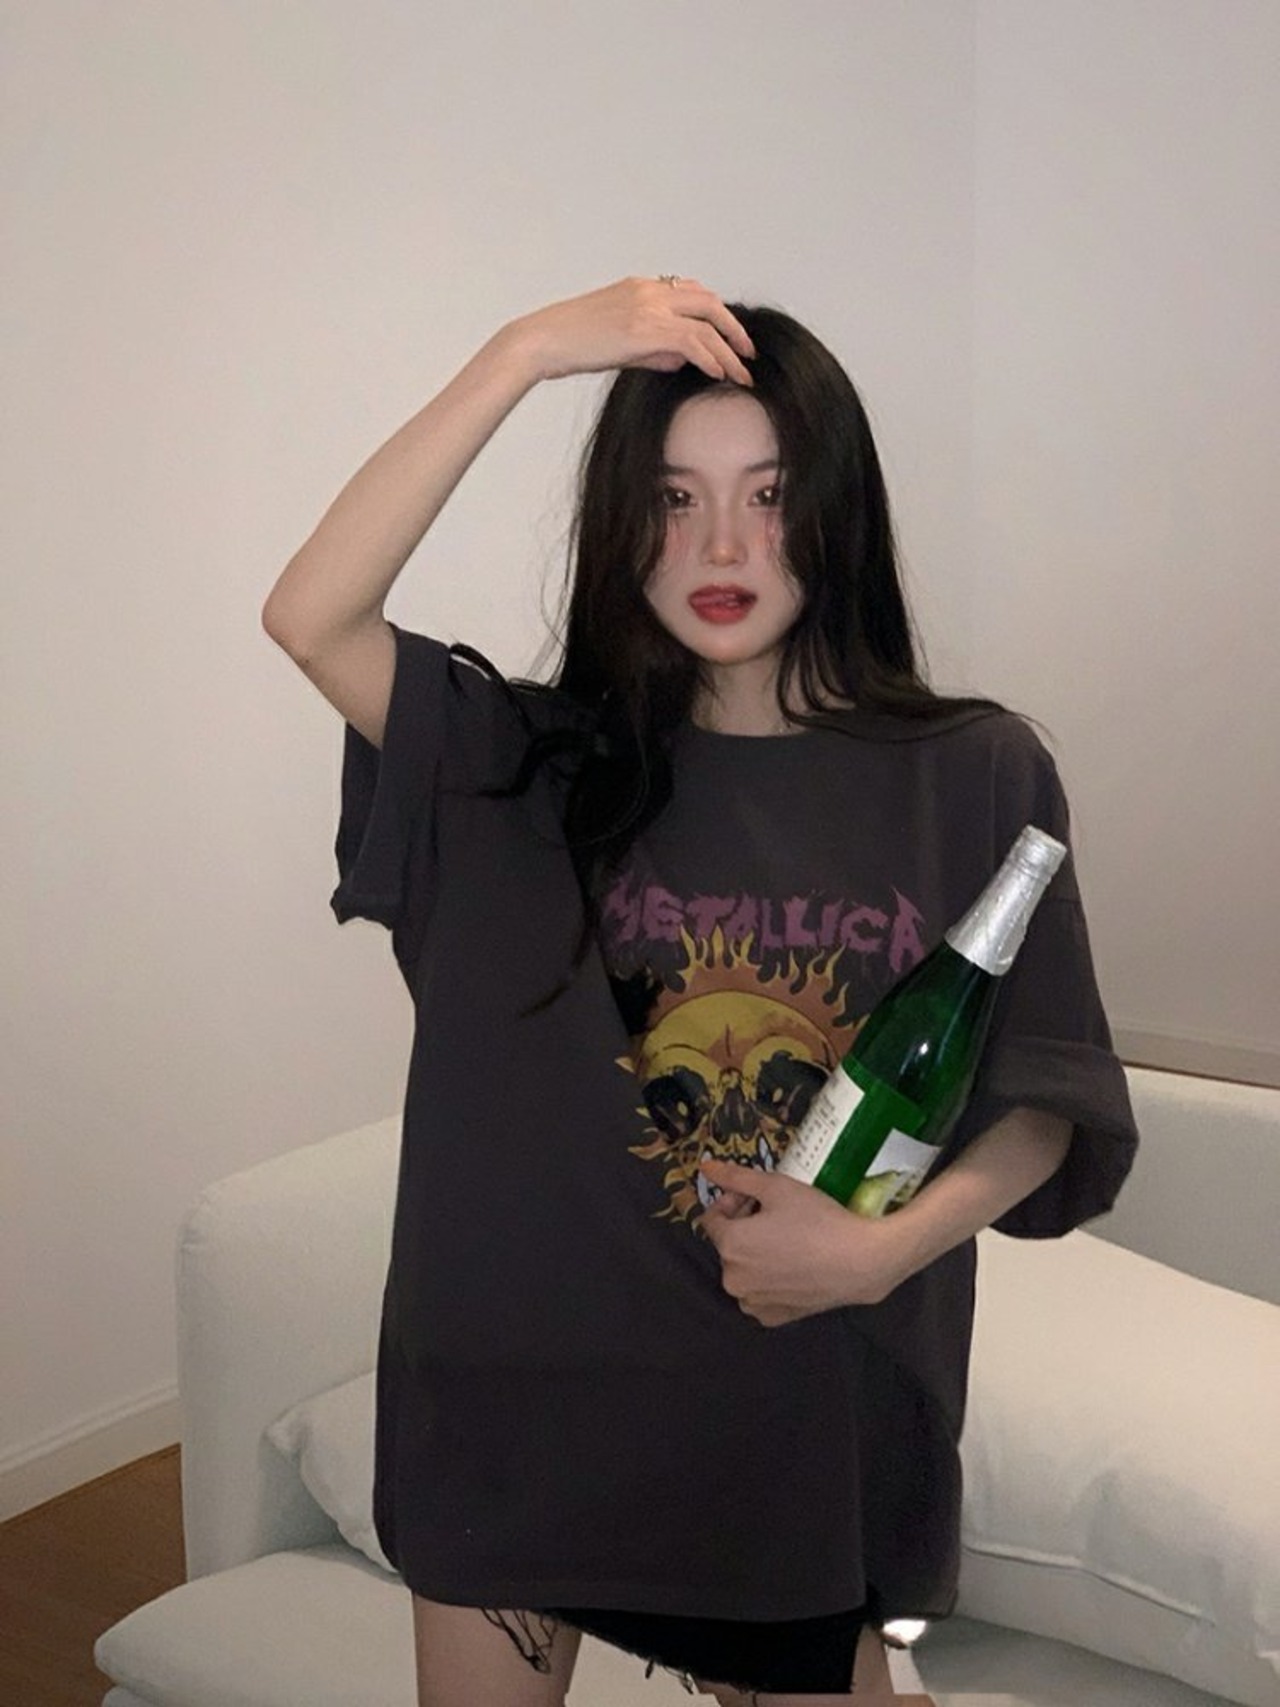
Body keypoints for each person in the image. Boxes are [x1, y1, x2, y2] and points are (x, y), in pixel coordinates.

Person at [262, 276, 1138, 1706]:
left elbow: (1043, 1087)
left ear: (836, 513)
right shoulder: (522, 769)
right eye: (672, 501)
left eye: (768, 495)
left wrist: (882, 1253)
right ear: (623, 528)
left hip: (788, 1422)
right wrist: (528, 352)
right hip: (517, 1405)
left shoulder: (972, 773)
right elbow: (312, 616)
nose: (720, 545)